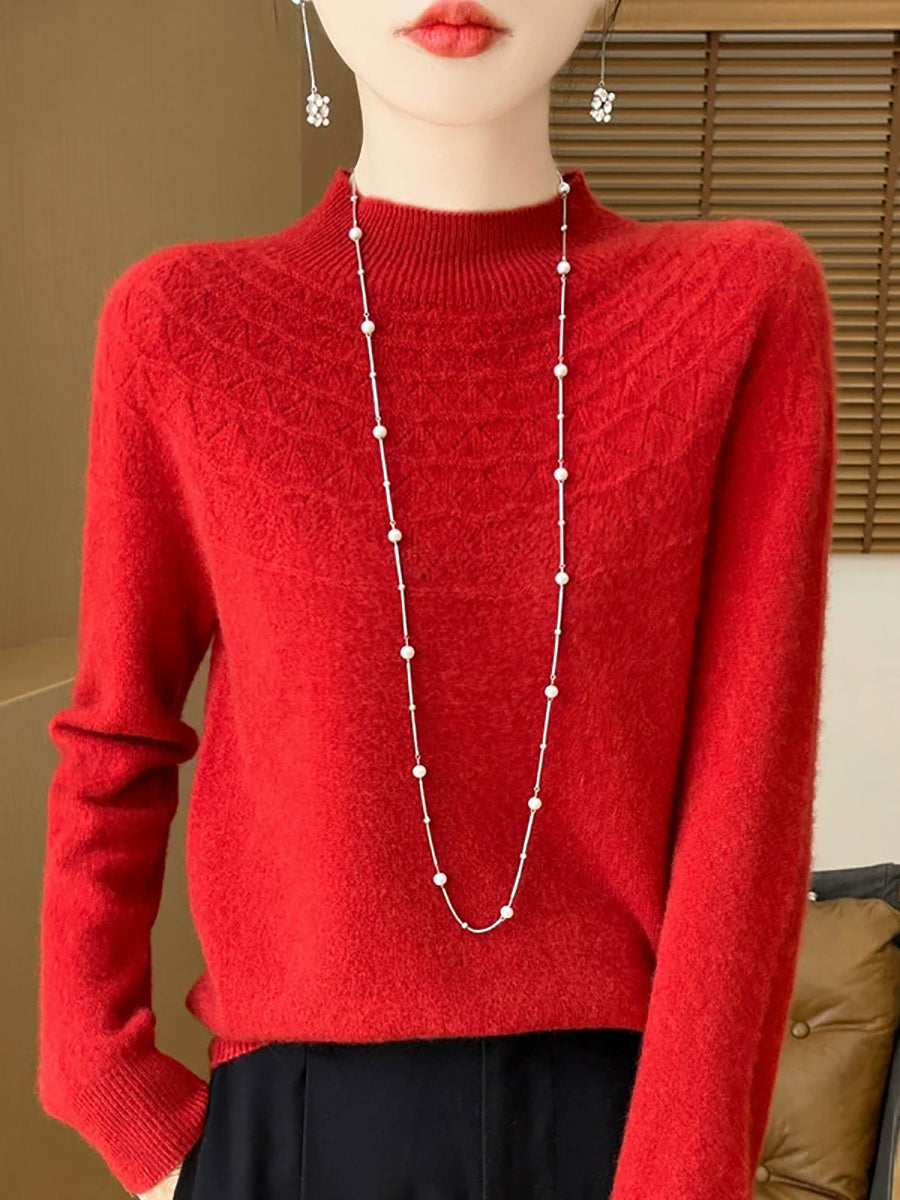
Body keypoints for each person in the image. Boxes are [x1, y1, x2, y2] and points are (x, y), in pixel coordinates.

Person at [35, 0, 838, 1197]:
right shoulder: (183, 327)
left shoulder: (740, 304)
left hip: (623, 1130)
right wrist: (109, 1090)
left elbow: (749, 797)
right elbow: (118, 735)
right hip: (290, 1129)